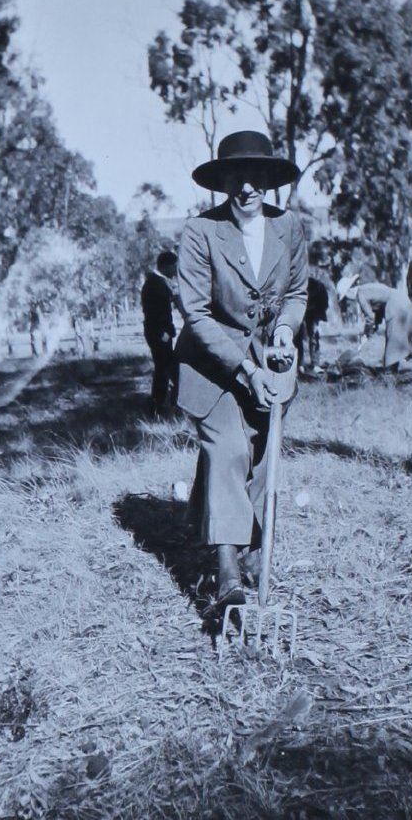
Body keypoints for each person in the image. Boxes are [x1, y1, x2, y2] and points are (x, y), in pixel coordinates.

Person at [175, 130, 308, 610]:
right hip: (210, 362)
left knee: (258, 452)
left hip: (269, 362)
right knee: (229, 447)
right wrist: (246, 370)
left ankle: (250, 547)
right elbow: (196, 313)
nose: (247, 187)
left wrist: (287, 332)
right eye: (237, 176)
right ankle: (227, 569)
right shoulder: (200, 232)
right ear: (222, 180)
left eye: (256, 176)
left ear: (270, 180)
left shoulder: (288, 227)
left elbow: (296, 294)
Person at [336, 275, 412, 372]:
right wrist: (372, 329)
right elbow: (379, 309)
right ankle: (396, 369)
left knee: (393, 340)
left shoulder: (360, 294)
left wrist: (366, 333)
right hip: (404, 299)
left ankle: (390, 373)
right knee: (399, 338)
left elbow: (369, 317)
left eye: (346, 298)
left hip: (395, 305)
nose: (348, 301)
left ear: (349, 292)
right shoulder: (367, 288)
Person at [141, 250, 178, 414]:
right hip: (159, 333)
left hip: (157, 332)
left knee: (166, 368)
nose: (175, 271)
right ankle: (157, 407)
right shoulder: (156, 284)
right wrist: (164, 333)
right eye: (174, 267)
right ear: (165, 266)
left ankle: (164, 404)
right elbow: (155, 312)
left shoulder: (155, 282)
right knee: (163, 370)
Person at [296, 276, 329, 373]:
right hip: (299, 309)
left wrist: (317, 324)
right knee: (298, 335)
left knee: (315, 335)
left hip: (314, 312)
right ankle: (299, 364)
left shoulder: (321, 290)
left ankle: (315, 364)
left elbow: (323, 307)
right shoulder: (299, 287)